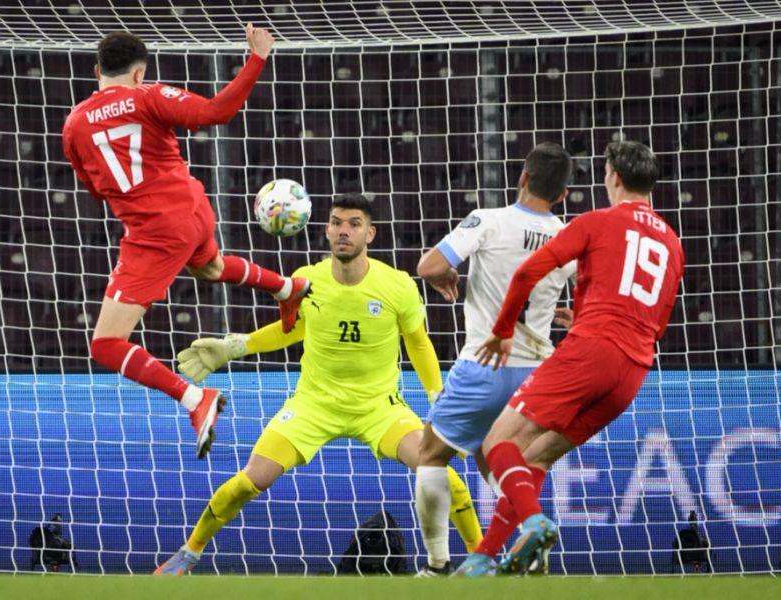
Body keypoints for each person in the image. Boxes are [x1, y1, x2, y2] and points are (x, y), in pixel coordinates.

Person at [154, 193, 483, 575]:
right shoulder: (306, 282)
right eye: (337, 222)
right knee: (250, 482)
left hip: (379, 408)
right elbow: (292, 329)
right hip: (314, 404)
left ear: (370, 233)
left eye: (354, 224)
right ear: (326, 230)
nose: (344, 231)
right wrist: (234, 347)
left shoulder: (397, 286)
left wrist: (436, 398)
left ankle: (483, 559)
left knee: (441, 474)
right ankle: (189, 553)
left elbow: (418, 342)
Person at [61, 27, 309, 459]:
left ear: (97, 70)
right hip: (193, 207)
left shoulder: (73, 125)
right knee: (210, 268)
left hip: (156, 233)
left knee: (105, 344)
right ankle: (288, 288)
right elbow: (217, 111)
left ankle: (196, 400)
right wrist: (257, 58)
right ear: (139, 72)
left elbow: (96, 190)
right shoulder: (149, 95)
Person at [471, 140, 685, 575]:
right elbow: (656, 324)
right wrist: (585, 314)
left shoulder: (597, 221)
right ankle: (480, 560)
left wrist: (501, 331)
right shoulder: (673, 243)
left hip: (591, 352)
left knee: (497, 443)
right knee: (537, 458)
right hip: (632, 372)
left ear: (614, 178)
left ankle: (535, 524)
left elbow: (528, 272)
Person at [414, 143, 576, 576]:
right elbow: (593, 303)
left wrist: (446, 272)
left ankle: (435, 566)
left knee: (430, 454)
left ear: (523, 176)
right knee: (502, 467)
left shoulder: (490, 220)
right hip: (538, 374)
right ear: (562, 196)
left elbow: (428, 266)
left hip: (485, 363)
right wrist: (568, 314)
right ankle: (530, 540)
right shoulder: (569, 235)